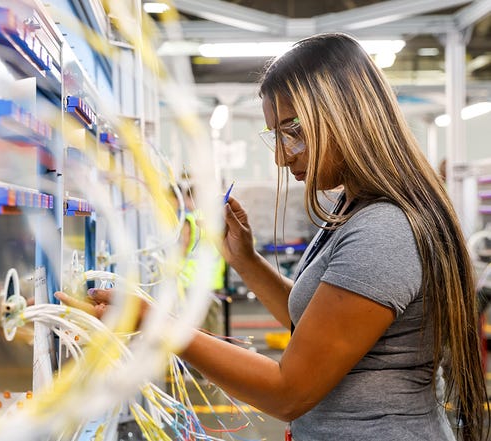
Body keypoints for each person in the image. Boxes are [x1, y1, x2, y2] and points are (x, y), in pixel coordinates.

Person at [56, 33, 489, 440]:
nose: (282, 156)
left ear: (346, 115)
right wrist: (245, 258)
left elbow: (290, 391)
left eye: (293, 131)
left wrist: (156, 323)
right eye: (276, 135)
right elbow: (315, 327)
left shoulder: (384, 230)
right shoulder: (354, 208)